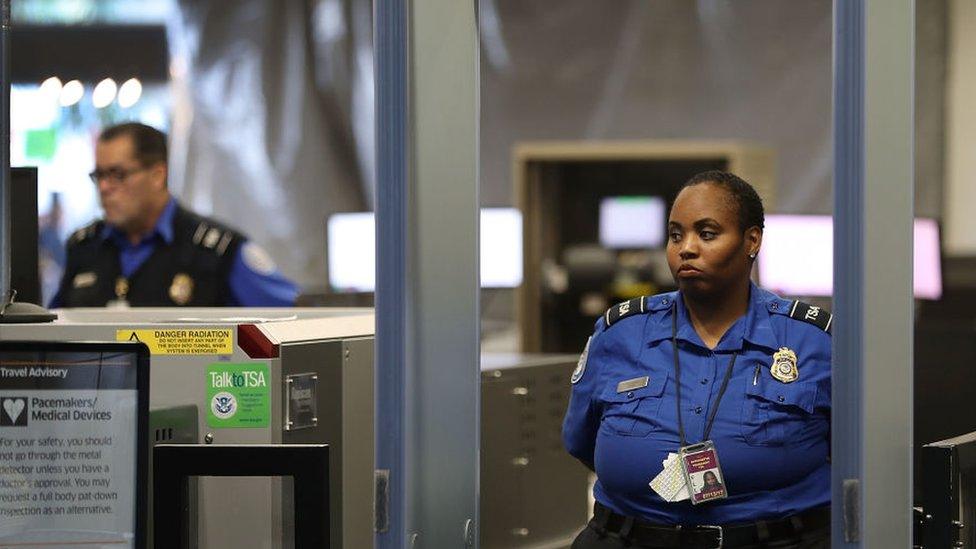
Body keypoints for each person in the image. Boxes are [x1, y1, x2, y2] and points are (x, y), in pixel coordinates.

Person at [563, 171, 831, 548]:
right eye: (675, 235)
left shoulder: (812, 340)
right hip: (628, 537)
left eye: (706, 234)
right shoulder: (619, 333)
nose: (686, 248)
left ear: (751, 240)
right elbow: (581, 441)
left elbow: (852, 455)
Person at [51, 122, 299, 307]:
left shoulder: (216, 251)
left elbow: (293, 316)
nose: (104, 187)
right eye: (100, 176)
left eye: (118, 175)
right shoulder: (84, 248)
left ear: (158, 175)